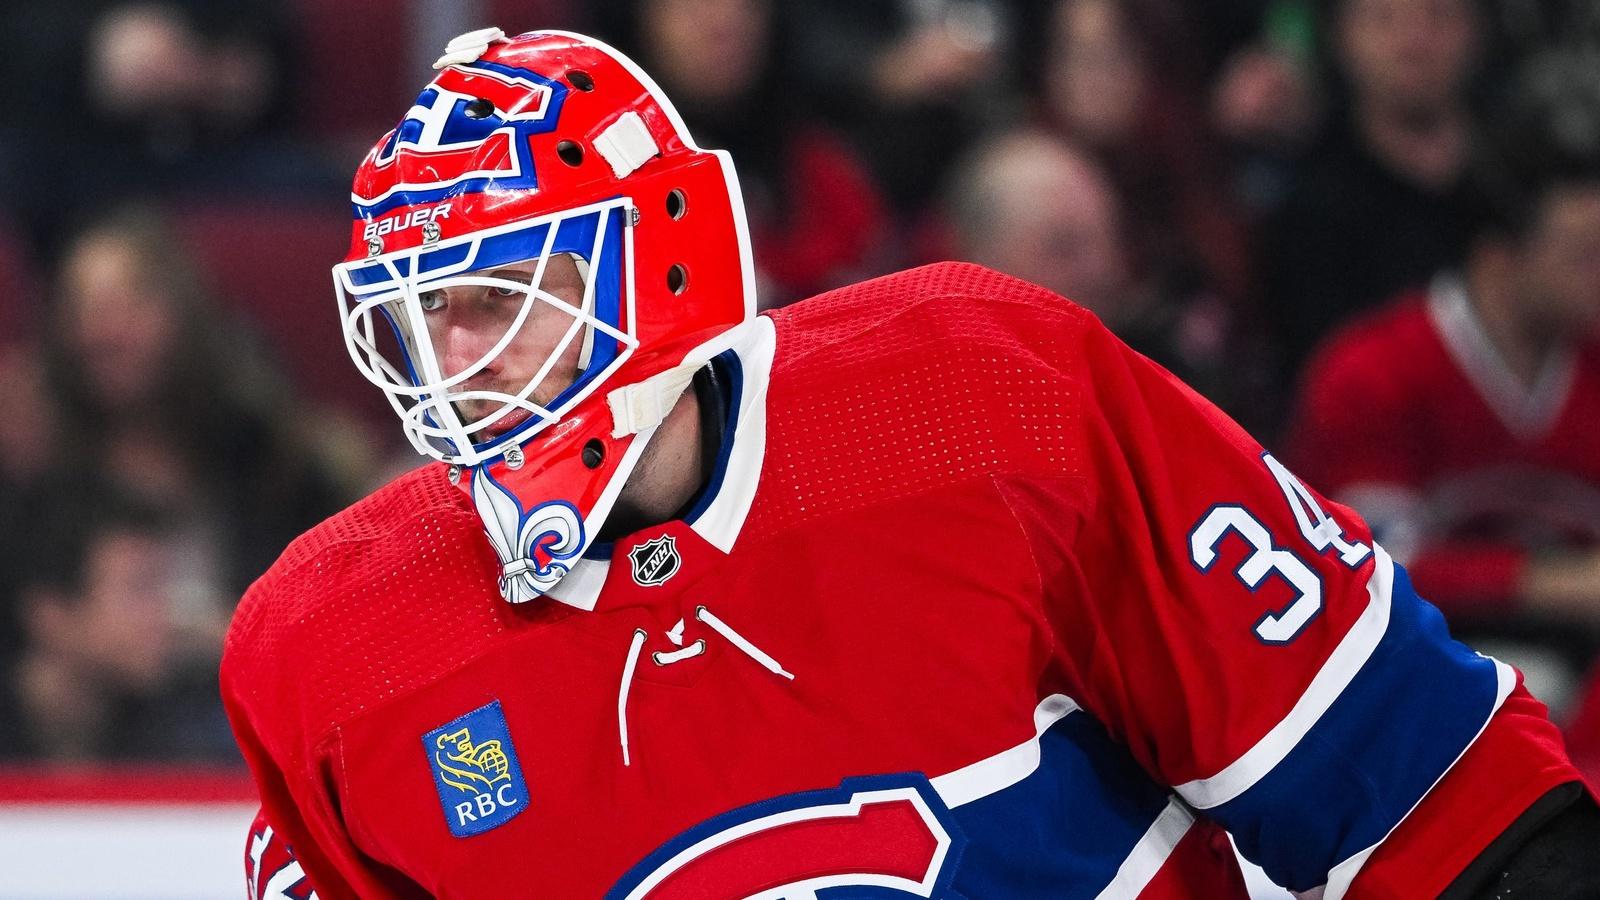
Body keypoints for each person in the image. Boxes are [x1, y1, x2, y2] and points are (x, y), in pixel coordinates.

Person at [224, 28, 1596, 899]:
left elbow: (1429, 793)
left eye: (494, 295)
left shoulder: (976, 402)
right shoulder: (338, 649)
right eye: (415, 311)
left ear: (657, 263)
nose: (446, 354)